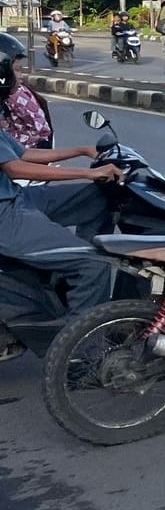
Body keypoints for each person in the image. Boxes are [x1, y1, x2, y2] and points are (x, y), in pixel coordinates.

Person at [0, 77, 122, 359]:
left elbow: (25, 153)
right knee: (94, 264)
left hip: (15, 199)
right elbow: (16, 168)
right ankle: (79, 358)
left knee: (97, 196)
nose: (20, 77)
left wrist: (80, 151)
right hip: (6, 214)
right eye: (15, 68)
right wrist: (86, 171)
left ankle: (70, 284)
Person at [1, 32, 53, 149]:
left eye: (20, 70)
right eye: (17, 70)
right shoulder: (4, 96)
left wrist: (17, 146)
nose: (21, 76)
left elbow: (42, 131)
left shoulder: (19, 96)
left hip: (25, 155)